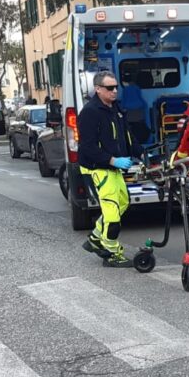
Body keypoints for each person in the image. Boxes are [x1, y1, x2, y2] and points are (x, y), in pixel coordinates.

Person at [78, 71, 144, 268]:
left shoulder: (115, 109)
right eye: (110, 88)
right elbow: (87, 147)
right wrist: (113, 160)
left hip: (112, 168)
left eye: (116, 87)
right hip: (98, 169)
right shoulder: (90, 113)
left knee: (123, 202)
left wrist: (141, 153)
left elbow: (127, 135)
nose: (115, 91)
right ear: (98, 89)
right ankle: (111, 252)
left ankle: (95, 238)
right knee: (112, 212)